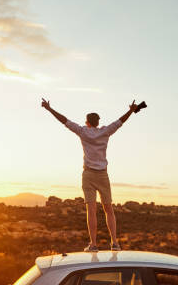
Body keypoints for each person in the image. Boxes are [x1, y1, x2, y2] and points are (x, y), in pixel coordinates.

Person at [41, 98, 138, 252]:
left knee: (91, 211)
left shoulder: (82, 131)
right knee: (109, 209)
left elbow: (64, 120)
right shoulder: (105, 131)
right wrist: (131, 110)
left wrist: (49, 108)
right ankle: (115, 243)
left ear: (87, 122)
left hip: (88, 175)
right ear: (98, 122)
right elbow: (120, 121)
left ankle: (93, 244)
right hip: (103, 175)